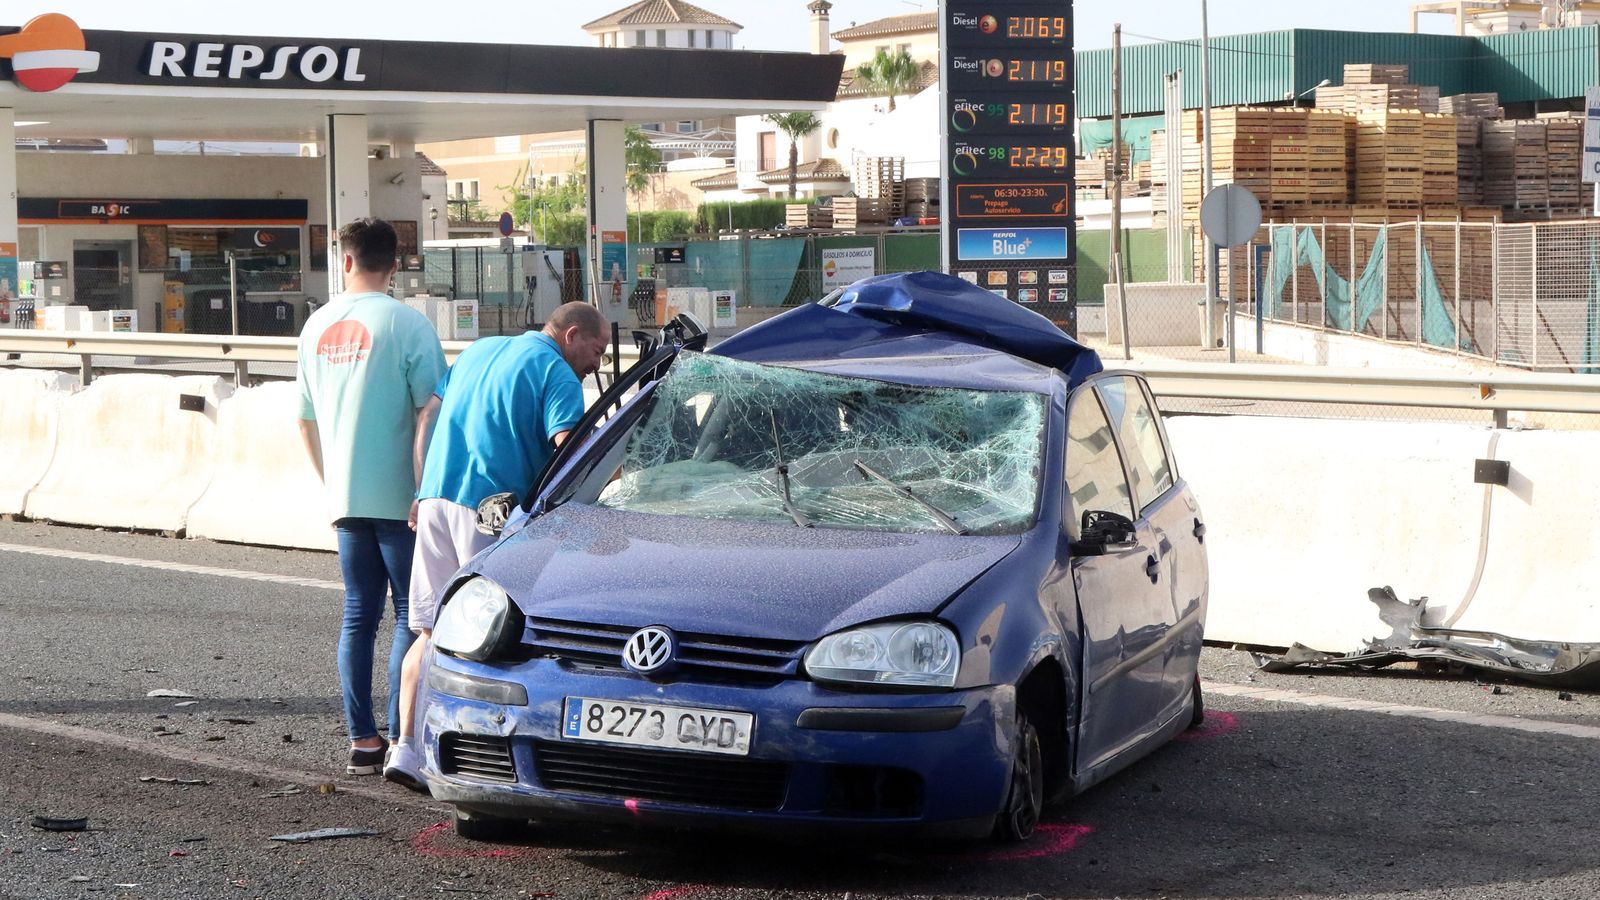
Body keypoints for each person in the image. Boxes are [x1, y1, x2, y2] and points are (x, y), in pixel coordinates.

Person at [383, 301, 610, 790]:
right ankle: (480, 756)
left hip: (438, 502)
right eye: (597, 350)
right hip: (490, 512)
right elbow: (570, 449)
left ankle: (403, 748)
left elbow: (428, 416)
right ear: (572, 335)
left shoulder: (478, 350)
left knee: (428, 633)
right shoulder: (557, 373)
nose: (598, 363)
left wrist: (421, 491)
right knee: (491, 638)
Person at [296, 218, 446, 776]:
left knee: (358, 615)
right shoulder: (408, 324)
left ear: (345, 259)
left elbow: (305, 421)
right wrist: (423, 489)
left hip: (346, 496)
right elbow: (429, 412)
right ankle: (402, 733)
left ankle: (362, 739)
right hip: (403, 499)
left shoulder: (314, 326)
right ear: (397, 263)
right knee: (412, 615)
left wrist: (333, 483)